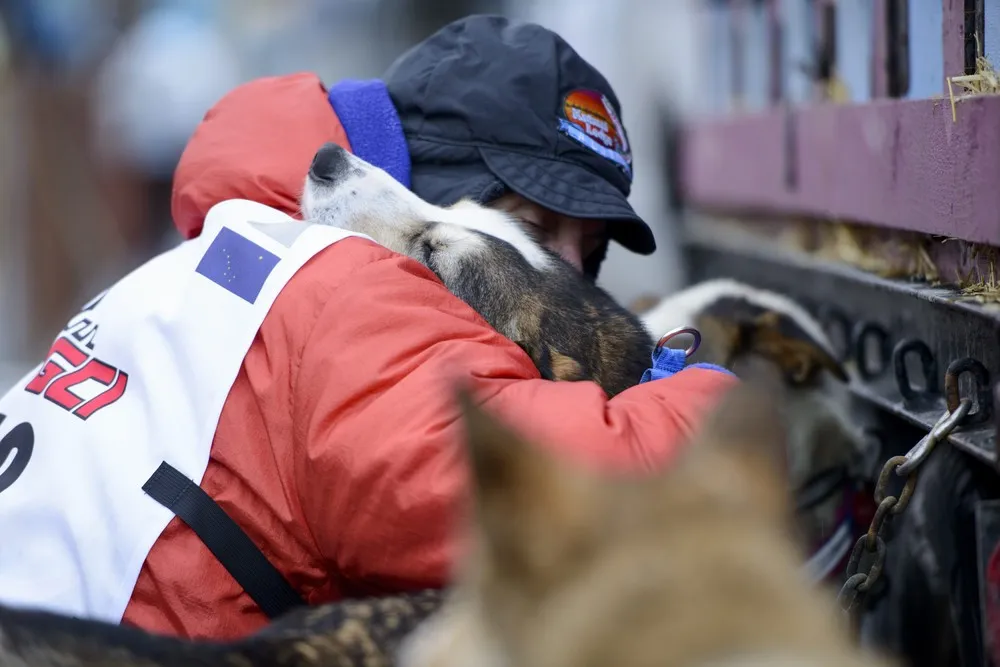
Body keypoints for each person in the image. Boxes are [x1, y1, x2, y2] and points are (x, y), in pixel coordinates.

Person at [0, 15, 736, 640]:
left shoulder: (253, 250)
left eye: (592, 252)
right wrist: (722, 399)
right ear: (422, 184)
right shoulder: (349, 298)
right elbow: (557, 491)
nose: (568, 279)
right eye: (530, 228)